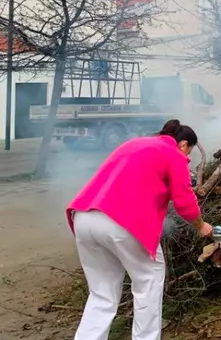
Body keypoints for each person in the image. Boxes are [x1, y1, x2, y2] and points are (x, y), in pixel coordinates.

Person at [67, 120, 213, 340]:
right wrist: (201, 226)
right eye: (189, 152)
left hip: (84, 216)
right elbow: (184, 201)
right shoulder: (172, 153)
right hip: (121, 222)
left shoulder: (134, 144)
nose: (187, 158)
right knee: (149, 282)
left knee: (102, 294)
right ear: (183, 144)